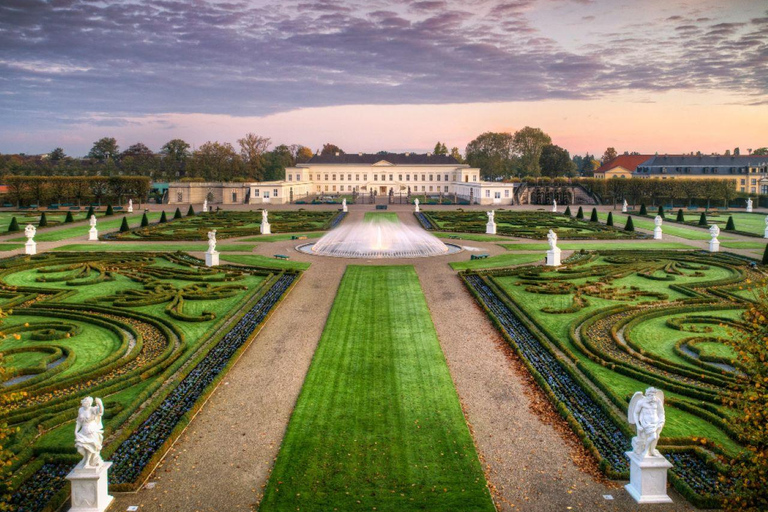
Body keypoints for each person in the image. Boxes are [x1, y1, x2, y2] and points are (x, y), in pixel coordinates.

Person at [628, 388, 665, 458]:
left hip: (656, 422)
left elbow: (661, 412)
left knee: (657, 437)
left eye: (653, 395)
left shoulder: (657, 401)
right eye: (651, 395)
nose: (652, 397)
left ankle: (652, 450)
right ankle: (645, 451)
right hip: (646, 423)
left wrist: (661, 421)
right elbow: (635, 413)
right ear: (647, 395)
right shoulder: (641, 402)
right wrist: (638, 425)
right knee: (653, 436)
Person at [75, 397, 104, 468]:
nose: (82, 403)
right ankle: (87, 460)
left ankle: (87, 462)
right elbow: (79, 421)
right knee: (82, 446)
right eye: (83, 401)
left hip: (92, 430)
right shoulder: (81, 410)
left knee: (90, 447)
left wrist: (100, 403)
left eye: (84, 402)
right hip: (83, 431)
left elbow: (100, 411)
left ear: (88, 403)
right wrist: (76, 431)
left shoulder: (92, 409)